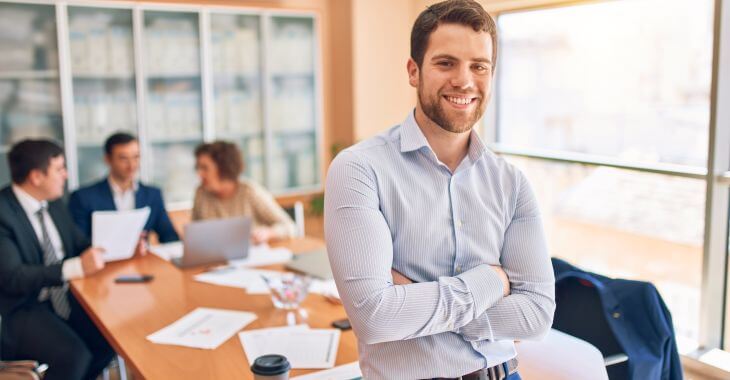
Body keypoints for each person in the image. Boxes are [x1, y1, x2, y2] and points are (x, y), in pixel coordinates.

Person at [324, 1, 555, 379]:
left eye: (479, 66)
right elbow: (375, 318)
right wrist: (491, 282)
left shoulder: (513, 184)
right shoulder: (359, 170)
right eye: (446, 63)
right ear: (414, 71)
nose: (464, 80)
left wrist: (413, 304)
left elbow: (536, 316)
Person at [0, 139, 115, 380]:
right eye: (60, 169)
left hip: (65, 297)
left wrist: (114, 247)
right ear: (36, 177)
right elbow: (13, 277)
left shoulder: (54, 203)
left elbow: (78, 244)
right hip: (23, 306)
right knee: (74, 356)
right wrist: (75, 267)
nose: (66, 175)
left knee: (110, 339)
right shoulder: (3, 212)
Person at [68, 132, 179, 246]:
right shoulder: (83, 197)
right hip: (104, 262)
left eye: (136, 157)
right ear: (108, 159)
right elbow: (78, 244)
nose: (132, 165)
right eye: (123, 158)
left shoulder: (152, 195)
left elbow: (170, 236)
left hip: (141, 261)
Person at [192, 141, 296, 244]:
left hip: (254, 256)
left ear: (224, 168)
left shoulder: (249, 191)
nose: (199, 174)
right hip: (215, 258)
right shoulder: (201, 194)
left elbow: (290, 227)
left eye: (205, 168)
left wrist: (269, 233)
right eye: (198, 168)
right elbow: (195, 234)